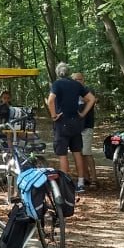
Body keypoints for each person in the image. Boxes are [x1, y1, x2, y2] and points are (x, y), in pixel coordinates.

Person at [46, 62, 96, 192]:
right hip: (76, 122)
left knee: (62, 154)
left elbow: (50, 100)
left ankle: (64, 184)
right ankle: (80, 183)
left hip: (62, 122)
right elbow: (91, 99)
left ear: (58, 73)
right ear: (68, 72)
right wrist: (83, 114)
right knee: (77, 152)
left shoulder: (57, 84)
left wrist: (53, 115)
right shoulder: (76, 84)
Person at [72, 72, 97, 192]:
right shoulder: (72, 93)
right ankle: (85, 177)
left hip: (86, 126)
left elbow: (90, 100)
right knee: (79, 153)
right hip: (76, 127)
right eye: (75, 80)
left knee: (87, 153)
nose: (77, 81)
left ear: (83, 80)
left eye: (79, 79)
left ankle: (94, 179)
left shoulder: (87, 91)